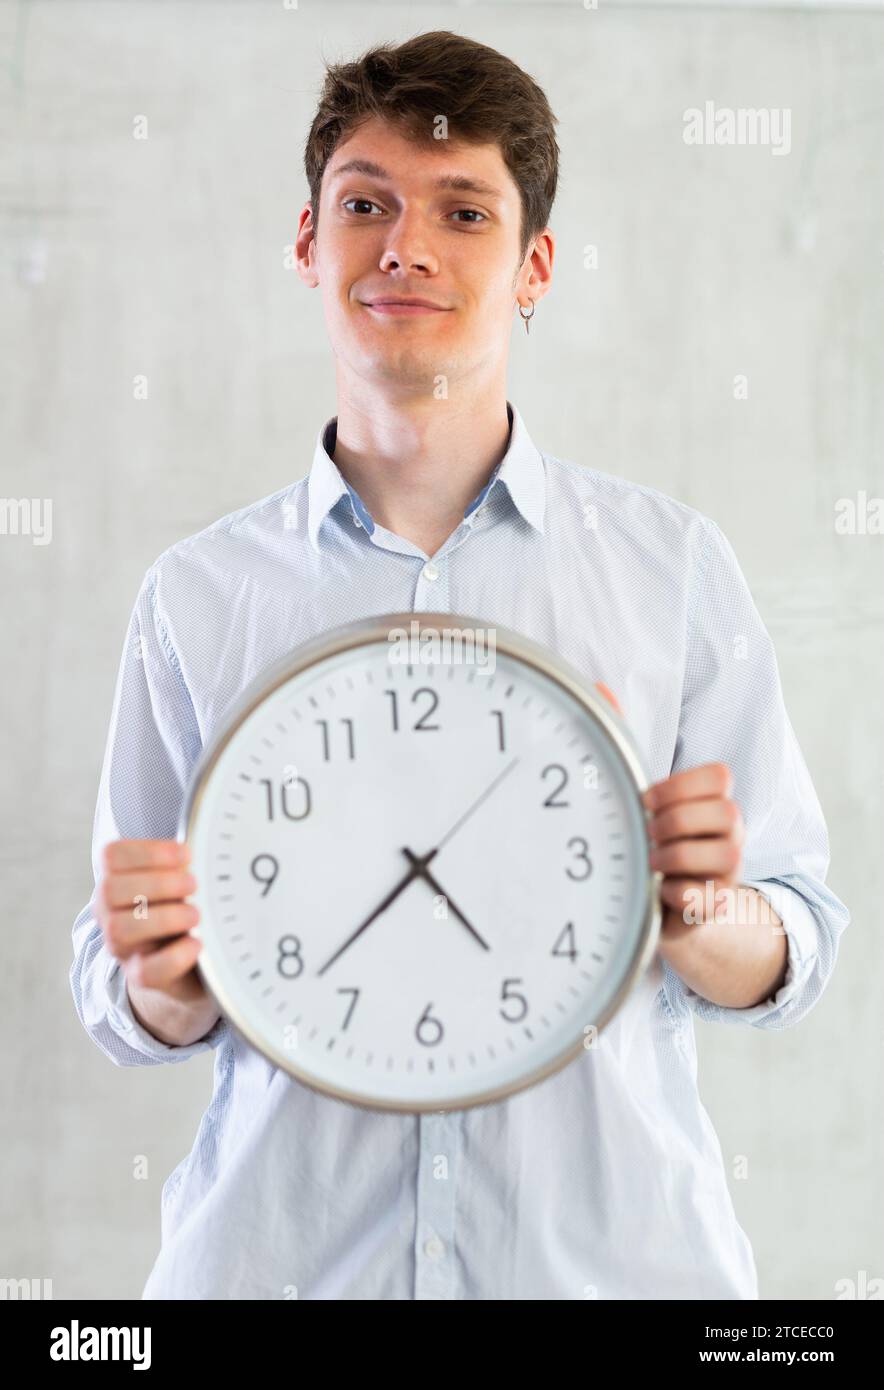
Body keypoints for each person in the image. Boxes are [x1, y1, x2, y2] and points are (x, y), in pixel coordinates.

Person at [70, 30, 849, 1300]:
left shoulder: (672, 568)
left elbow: (796, 936)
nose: (404, 246)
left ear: (533, 263)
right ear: (306, 243)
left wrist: (702, 910)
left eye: (463, 210)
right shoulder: (196, 595)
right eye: (363, 204)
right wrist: (161, 980)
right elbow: (118, 986)